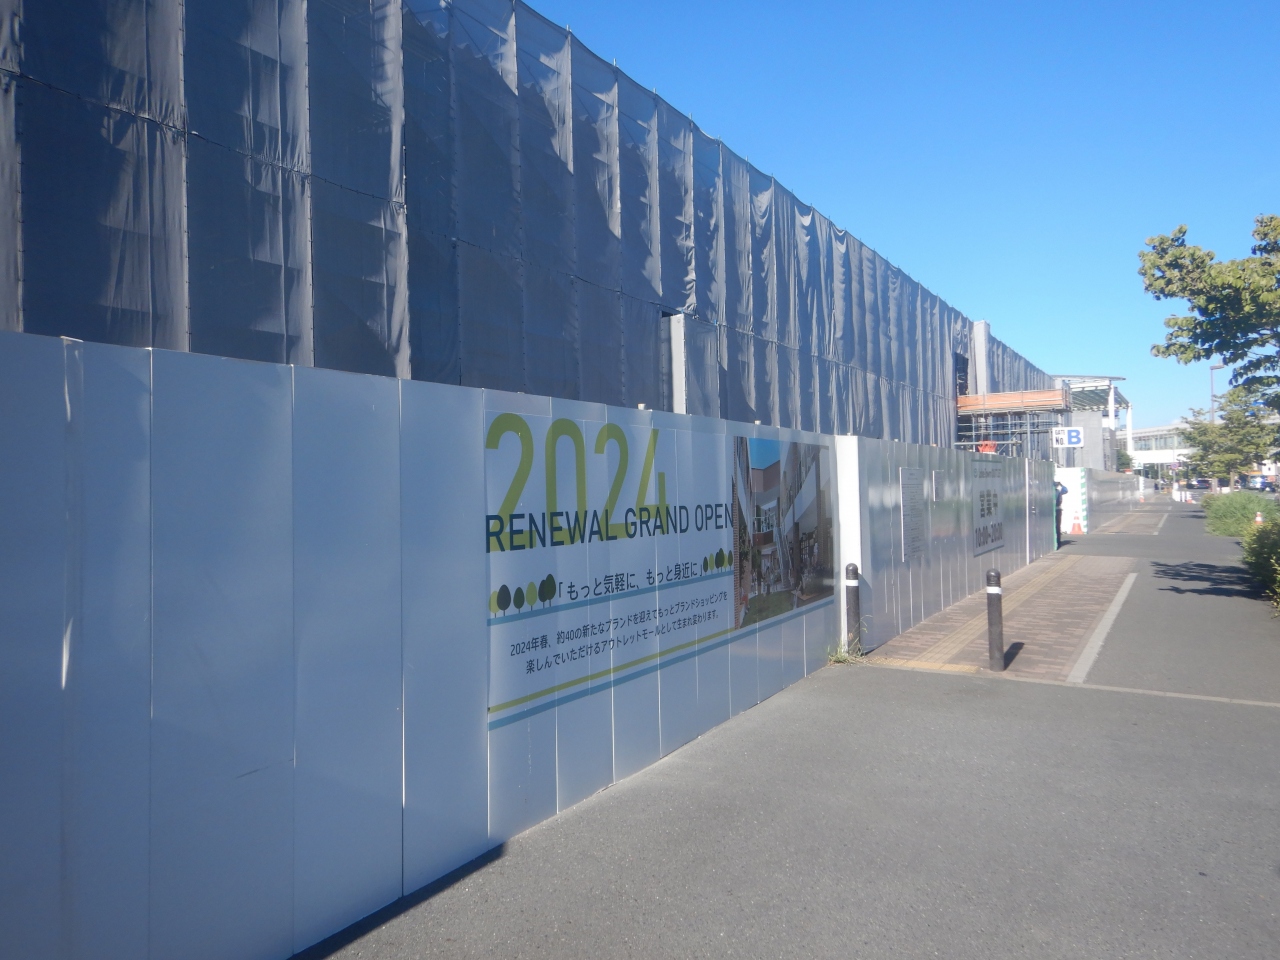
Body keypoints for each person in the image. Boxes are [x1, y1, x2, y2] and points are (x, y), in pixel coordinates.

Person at [1053, 479, 1068, 548]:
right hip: (1058, 510)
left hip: (1054, 510)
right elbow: (1065, 490)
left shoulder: (1052, 492)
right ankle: (1058, 542)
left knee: (1054, 526)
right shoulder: (1058, 491)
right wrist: (1061, 485)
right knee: (1057, 526)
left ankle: (1055, 541)